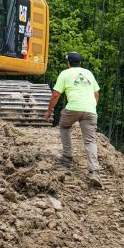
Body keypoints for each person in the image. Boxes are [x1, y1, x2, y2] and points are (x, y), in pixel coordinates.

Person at [44, 52, 103, 188]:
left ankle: (67, 157)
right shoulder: (88, 73)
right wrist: (91, 108)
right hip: (90, 110)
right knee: (90, 141)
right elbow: (96, 94)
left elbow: (55, 95)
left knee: (64, 126)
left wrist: (48, 112)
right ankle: (94, 172)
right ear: (80, 63)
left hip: (72, 109)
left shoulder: (65, 74)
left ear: (68, 63)